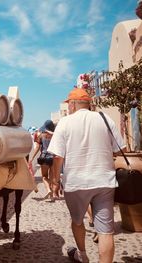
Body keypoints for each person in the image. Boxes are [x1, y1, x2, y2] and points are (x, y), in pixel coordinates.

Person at [48, 88, 125, 263]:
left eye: (69, 105)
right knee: (106, 231)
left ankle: (82, 256)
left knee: (77, 221)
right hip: (104, 181)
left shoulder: (65, 122)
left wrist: (54, 181)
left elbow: (57, 156)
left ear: (73, 104)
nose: (68, 108)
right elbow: (121, 149)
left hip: (76, 183)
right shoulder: (105, 119)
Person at [29, 120, 55, 200]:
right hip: (53, 158)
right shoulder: (55, 135)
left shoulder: (41, 135)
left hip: (44, 157)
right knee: (51, 177)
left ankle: (48, 190)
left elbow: (37, 147)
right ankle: (52, 197)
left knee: (44, 177)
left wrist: (32, 157)